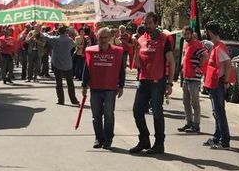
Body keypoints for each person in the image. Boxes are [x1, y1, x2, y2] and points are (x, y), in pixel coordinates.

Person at [130, 12, 175, 154]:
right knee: (137, 111)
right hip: (143, 80)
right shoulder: (142, 39)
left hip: (158, 81)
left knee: (157, 112)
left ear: (156, 24)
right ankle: (144, 140)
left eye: (150, 23)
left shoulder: (164, 39)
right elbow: (137, 64)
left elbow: (172, 62)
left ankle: (159, 143)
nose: (147, 25)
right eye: (145, 23)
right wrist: (136, 49)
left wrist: (169, 83)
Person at [82, 27, 125, 150]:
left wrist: (121, 86)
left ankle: (108, 139)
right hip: (95, 88)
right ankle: (98, 138)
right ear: (97, 38)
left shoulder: (118, 52)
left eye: (106, 37)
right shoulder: (91, 51)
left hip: (110, 89)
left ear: (110, 38)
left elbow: (121, 70)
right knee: (96, 116)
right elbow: (87, 69)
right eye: (101, 37)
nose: (103, 40)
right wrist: (84, 86)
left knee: (108, 114)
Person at [202, 22, 234, 150]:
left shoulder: (219, 47)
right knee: (216, 112)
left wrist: (226, 81)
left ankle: (224, 141)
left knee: (219, 112)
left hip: (218, 84)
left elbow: (227, 63)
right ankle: (217, 137)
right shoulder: (216, 47)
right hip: (213, 84)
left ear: (210, 32)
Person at [177, 26, 209, 134]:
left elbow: (205, 56)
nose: (185, 36)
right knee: (186, 101)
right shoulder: (186, 45)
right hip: (186, 77)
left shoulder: (196, 44)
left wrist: (199, 66)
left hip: (194, 78)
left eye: (187, 34)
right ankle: (189, 122)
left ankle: (196, 125)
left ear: (191, 34)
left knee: (194, 102)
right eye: (184, 34)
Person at [43, 24, 79, 105]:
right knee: (70, 83)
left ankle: (61, 100)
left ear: (58, 32)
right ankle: (74, 100)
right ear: (66, 32)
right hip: (68, 64)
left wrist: (50, 32)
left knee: (59, 83)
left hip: (57, 63)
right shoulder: (69, 40)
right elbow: (75, 44)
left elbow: (45, 35)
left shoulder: (55, 39)